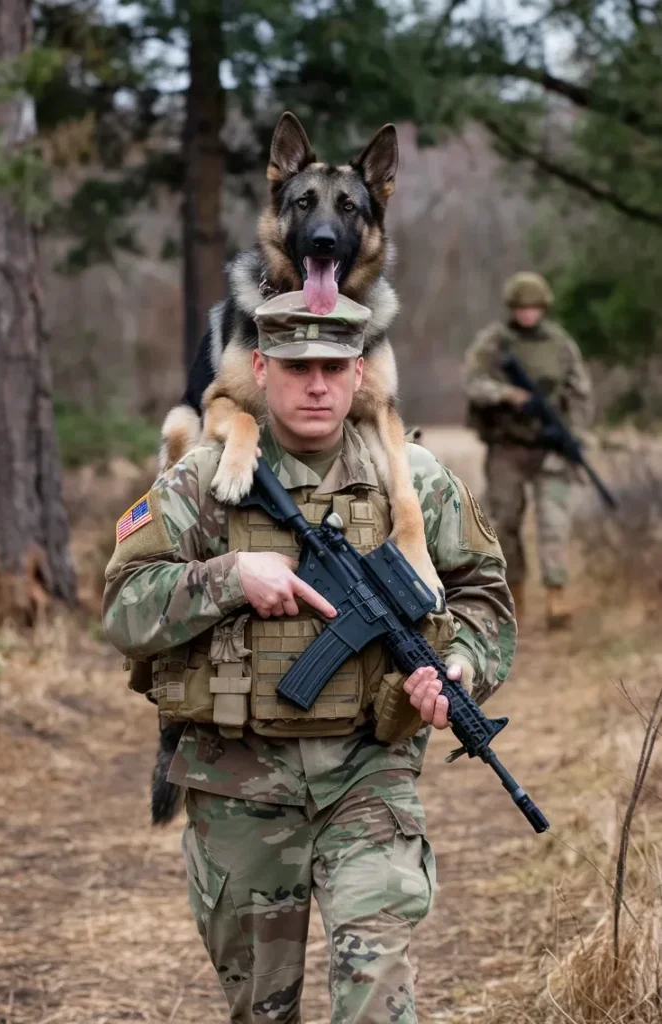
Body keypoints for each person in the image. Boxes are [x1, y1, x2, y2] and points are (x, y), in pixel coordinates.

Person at [102, 292, 516, 1024]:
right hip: (238, 786)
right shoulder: (202, 480)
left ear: (361, 374)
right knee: (262, 1009)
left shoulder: (411, 478)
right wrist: (231, 576)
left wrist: (461, 672)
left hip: (369, 774)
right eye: (296, 368)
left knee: (377, 991)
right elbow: (124, 610)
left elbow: (483, 590)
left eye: (333, 366)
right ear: (260, 369)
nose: (316, 384)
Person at [463, 272, 593, 629]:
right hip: (507, 448)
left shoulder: (561, 344)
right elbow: (474, 384)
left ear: (544, 308)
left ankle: (557, 598)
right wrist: (508, 395)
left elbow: (580, 392)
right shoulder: (493, 342)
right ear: (512, 308)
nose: (527, 314)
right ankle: (515, 599)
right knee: (504, 523)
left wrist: (575, 435)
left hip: (550, 449)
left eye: (534, 308)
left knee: (554, 523)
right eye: (521, 307)